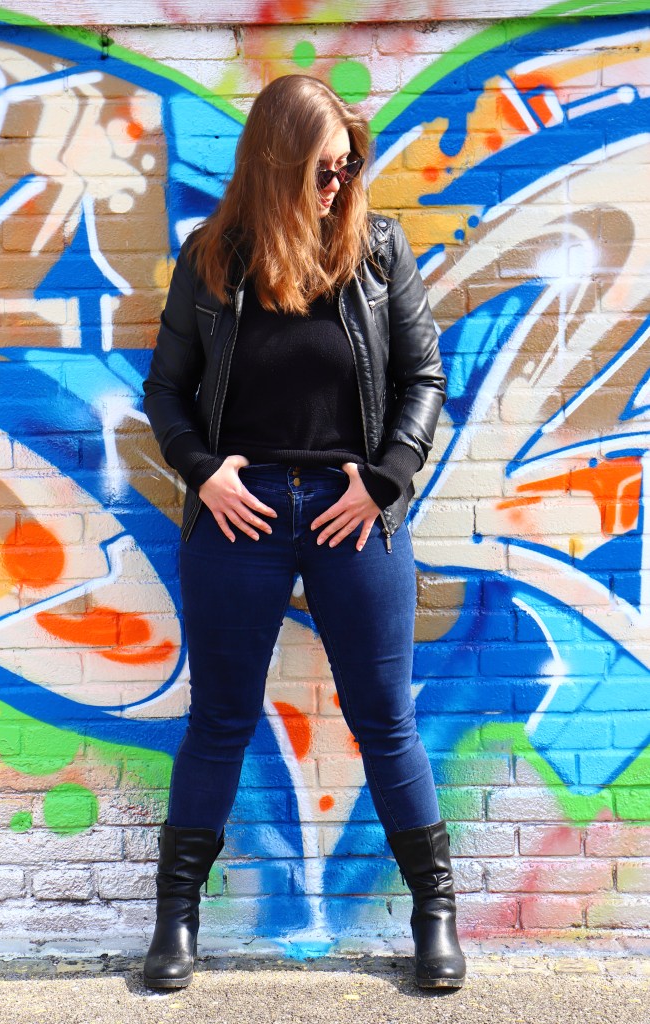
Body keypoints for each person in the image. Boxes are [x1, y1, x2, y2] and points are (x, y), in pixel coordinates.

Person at [141, 73, 465, 991]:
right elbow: (164, 389)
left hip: (351, 512)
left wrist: (386, 479)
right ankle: (176, 921)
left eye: (347, 166)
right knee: (220, 719)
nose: (338, 183)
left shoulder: (377, 249)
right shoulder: (213, 257)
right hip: (238, 514)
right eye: (323, 168)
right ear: (277, 164)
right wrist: (202, 470)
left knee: (385, 720)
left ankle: (434, 917)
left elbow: (423, 377)